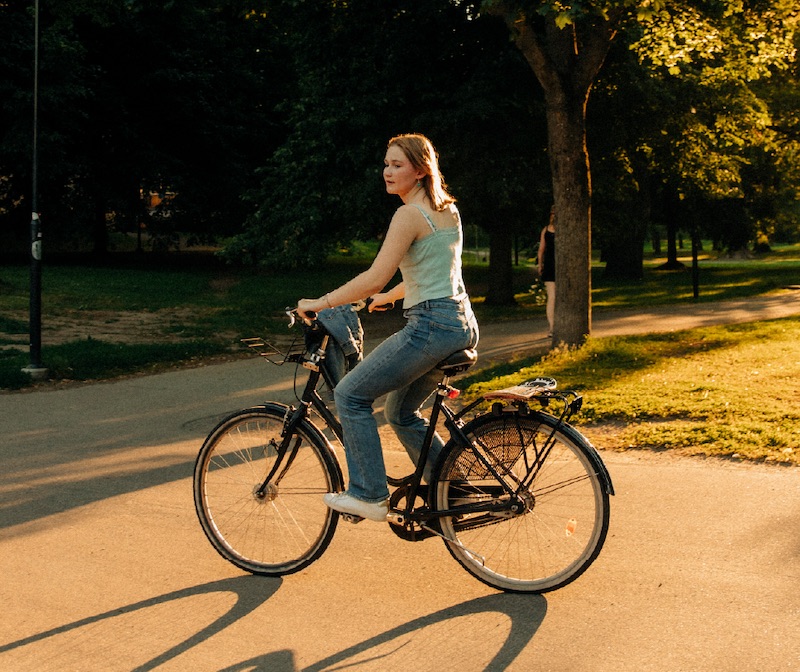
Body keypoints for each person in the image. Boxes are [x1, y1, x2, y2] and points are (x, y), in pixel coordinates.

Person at [297, 133, 479, 522]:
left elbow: (374, 277)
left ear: (420, 169)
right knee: (399, 412)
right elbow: (435, 273)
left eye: (398, 165)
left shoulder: (408, 214)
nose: (388, 172)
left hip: (431, 327)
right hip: (460, 324)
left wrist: (321, 302)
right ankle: (452, 491)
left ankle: (368, 494)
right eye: (386, 164)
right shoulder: (446, 209)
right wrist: (393, 297)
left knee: (350, 395)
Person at [537, 206, 556, 337]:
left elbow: (541, 250)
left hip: (552, 265)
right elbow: (541, 249)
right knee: (553, 297)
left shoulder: (547, 230)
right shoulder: (547, 230)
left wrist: (540, 264)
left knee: (553, 297)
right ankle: (552, 327)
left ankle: (553, 327)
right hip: (552, 265)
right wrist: (540, 264)